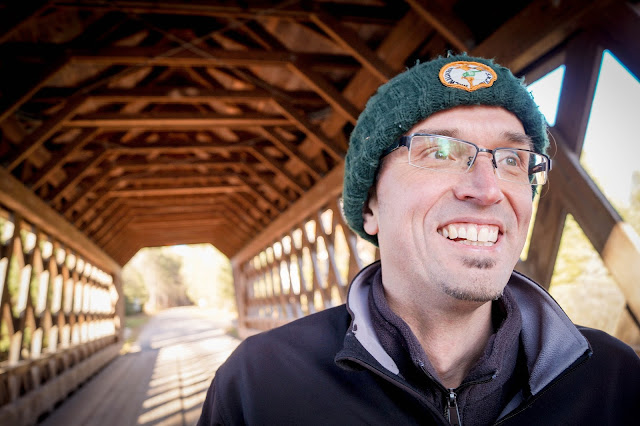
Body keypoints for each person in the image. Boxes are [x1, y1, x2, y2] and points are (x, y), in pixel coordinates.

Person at [198, 54, 640, 425]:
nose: (487, 189)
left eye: (511, 159)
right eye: (440, 151)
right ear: (370, 207)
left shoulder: (612, 379)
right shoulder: (260, 384)